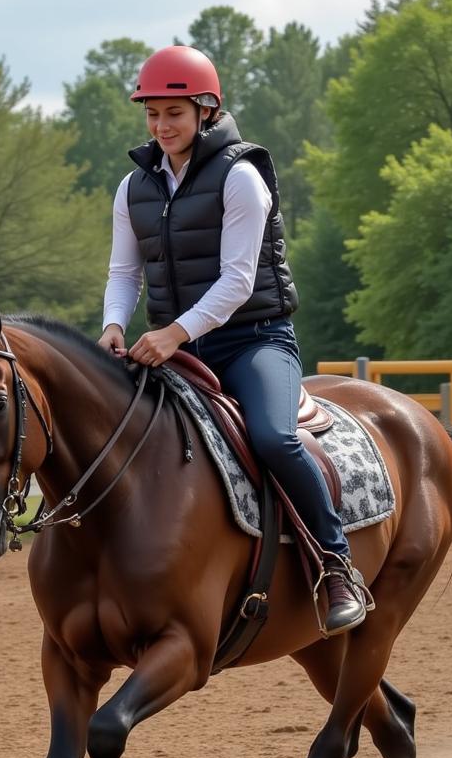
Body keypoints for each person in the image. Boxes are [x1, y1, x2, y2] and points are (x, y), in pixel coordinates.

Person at [97, 44, 370, 636]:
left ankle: (335, 565)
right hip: (176, 347)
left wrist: (171, 333)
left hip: (253, 340)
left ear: (207, 111)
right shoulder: (132, 187)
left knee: (274, 438)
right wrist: (115, 325)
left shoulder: (241, 176)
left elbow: (238, 281)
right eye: (152, 114)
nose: (162, 125)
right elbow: (124, 273)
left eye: (174, 112)